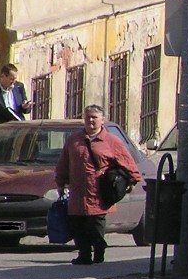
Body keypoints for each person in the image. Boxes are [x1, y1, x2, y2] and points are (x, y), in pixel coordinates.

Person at [55, 105, 142, 265]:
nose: (91, 120)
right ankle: (84, 255)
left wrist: (133, 179)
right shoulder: (74, 140)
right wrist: (60, 182)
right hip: (78, 192)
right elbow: (64, 163)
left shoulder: (111, 141)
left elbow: (126, 161)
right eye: (88, 117)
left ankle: (99, 252)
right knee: (78, 225)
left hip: (99, 192)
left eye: (94, 117)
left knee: (95, 225)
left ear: (102, 120)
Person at [0, 63, 31, 136]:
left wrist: (25, 107)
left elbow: (27, 110)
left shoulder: (19, 87)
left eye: (15, 79)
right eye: (11, 79)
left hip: (19, 132)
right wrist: (7, 125)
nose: (14, 82)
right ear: (2, 76)